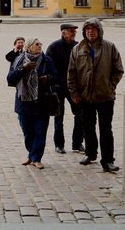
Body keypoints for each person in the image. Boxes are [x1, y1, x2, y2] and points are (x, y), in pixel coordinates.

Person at [67, 17, 124, 172]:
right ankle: (90, 153)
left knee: (106, 129)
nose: (90, 32)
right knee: (88, 128)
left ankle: (108, 160)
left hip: (105, 96)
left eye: (93, 29)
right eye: (87, 29)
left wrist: (110, 86)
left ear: (99, 31)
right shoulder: (78, 49)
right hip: (85, 96)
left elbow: (118, 70)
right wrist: (74, 93)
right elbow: (71, 74)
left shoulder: (109, 47)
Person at [6, 37, 58, 169]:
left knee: (40, 131)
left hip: (42, 102)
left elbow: (57, 78)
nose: (40, 46)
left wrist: (48, 78)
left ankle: (36, 158)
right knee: (28, 132)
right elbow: (10, 79)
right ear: (29, 47)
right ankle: (31, 154)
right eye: (37, 44)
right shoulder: (19, 60)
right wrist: (23, 68)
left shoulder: (46, 60)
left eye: (41, 44)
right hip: (24, 103)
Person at [45, 22, 82, 155]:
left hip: (73, 87)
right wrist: (55, 81)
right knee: (58, 116)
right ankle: (59, 144)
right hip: (58, 86)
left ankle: (77, 143)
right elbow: (48, 66)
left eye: (74, 31)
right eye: (71, 31)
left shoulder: (78, 46)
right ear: (63, 33)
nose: (73, 33)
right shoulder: (53, 47)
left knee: (79, 114)